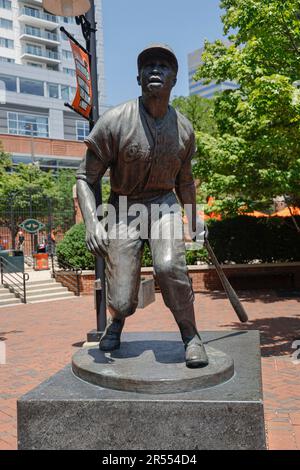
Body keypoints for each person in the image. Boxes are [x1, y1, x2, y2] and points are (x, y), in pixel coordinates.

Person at [76, 44, 208, 368]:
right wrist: (92, 222)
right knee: (121, 298)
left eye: (163, 66)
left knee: (168, 267)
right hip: (123, 208)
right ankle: (117, 320)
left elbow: (185, 182)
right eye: (148, 66)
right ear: (138, 78)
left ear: (174, 79)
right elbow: (84, 178)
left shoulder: (185, 129)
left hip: (163, 206)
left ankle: (191, 335)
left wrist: (194, 219)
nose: (155, 71)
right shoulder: (115, 121)